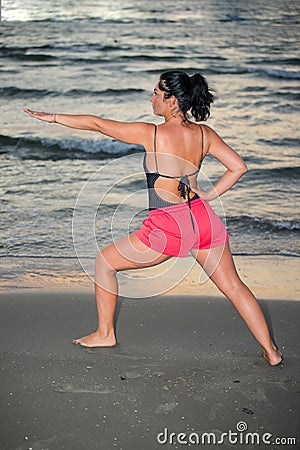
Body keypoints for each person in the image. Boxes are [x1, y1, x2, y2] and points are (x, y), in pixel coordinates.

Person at [24, 70, 283, 366]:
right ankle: (272, 352)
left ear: (172, 101)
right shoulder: (204, 134)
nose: (151, 99)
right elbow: (238, 167)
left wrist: (54, 117)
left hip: (168, 225)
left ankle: (105, 333)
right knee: (235, 287)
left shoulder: (153, 133)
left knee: (105, 262)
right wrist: (208, 195)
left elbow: (97, 124)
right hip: (203, 219)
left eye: (157, 94)